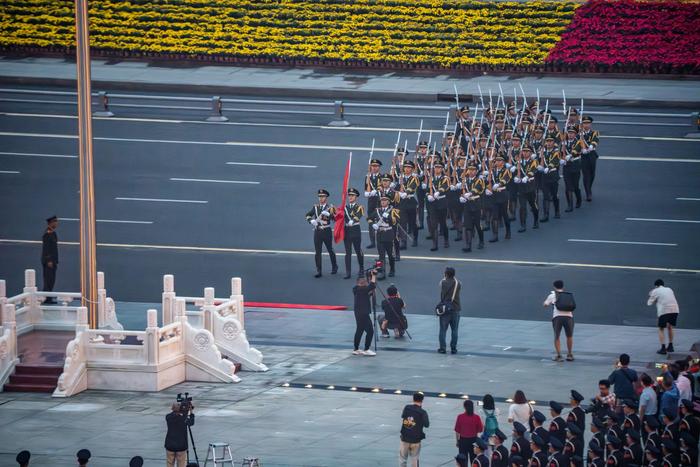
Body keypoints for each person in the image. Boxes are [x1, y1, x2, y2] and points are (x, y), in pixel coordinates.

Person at [305, 189, 338, 278]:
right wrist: (311, 220)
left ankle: (334, 267)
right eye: (319, 197)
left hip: (326, 231)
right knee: (318, 252)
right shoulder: (315, 207)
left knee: (330, 249)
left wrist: (329, 214)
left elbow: (335, 219)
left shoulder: (330, 207)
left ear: (326, 198)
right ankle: (319, 270)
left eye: (322, 197)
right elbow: (307, 215)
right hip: (318, 231)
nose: (321, 198)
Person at [368, 194, 399, 279]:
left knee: (390, 255)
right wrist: (373, 224)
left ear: (388, 202)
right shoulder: (377, 211)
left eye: (385, 200)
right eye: (382, 200)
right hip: (379, 235)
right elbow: (369, 218)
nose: (383, 202)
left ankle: (392, 269)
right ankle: (382, 272)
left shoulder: (392, 211)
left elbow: (396, 221)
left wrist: (388, 216)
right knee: (381, 255)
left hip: (388, 234)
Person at [543, 280, 574, 362]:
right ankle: (570, 354)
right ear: (563, 287)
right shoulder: (568, 295)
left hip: (557, 317)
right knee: (569, 336)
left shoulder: (552, 295)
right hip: (569, 317)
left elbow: (545, 304)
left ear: (554, 287)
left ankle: (559, 356)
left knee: (557, 337)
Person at [647, 279, 680, 354]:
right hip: (675, 309)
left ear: (656, 286)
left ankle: (663, 348)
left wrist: (651, 294)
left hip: (664, 311)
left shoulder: (655, 291)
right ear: (663, 284)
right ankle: (671, 346)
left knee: (661, 328)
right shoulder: (669, 289)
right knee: (670, 327)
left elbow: (649, 303)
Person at [400, 392, 429, 467]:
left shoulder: (407, 407)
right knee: (414, 459)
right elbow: (427, 425)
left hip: (405, 438)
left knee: (403, 459)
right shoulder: (423, 412)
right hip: (416, 440)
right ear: (422, 400)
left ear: (413, 399)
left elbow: (403, 416)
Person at [352, 271, 377, 356]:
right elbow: (372, 285)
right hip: (363, 313)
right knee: (370, 331)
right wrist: (373, 275)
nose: (367, 283)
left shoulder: (356, 289)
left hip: (358, 313)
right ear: (362, 283)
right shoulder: (362, 289)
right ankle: (366, 349)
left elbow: (369, 291)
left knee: (360, 330)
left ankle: (356, 349)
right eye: (366, 282)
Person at [342, 188, 365, 279]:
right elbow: (339, 217)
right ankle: (348, 272)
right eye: (349, 195)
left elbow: (359, 215)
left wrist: (353, 220)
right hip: (347, 231)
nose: (350, 197)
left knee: (358, 251)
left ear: (356, 197)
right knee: (348, 252)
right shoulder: (344, 208)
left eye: (352, 195)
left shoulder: (359, 207)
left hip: (355, 230)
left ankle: (361, 269)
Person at [438, 267, 461, 354]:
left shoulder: (443, 283)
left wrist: (445, 277)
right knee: (455, 330)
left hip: (445, 309)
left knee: (443, 329)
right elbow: (458, 282)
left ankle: (442, 348)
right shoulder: (458, 284)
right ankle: (453, 348)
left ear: (446, 274)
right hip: (455, 308)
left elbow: (440, 283)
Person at [165, 402, 194, 467]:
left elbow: (174, 415)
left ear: (172, 408)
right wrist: (191, 413)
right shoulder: (184, 418)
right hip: (181, 446)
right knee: (181, 464)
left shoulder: (168, 417)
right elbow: (191, 422)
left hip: (170, 445)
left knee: (169, 463)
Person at [578, 115, 599, 202]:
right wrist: (581, 149)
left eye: (588, 123)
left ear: (591, 124)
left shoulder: (594, 132)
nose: (586, 125)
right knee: (586, 175)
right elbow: (576, 143)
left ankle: (588, 187)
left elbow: (595, 140)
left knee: (592, 174)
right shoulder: (579, 134)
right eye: (584, 123)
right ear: (582, 124)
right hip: (583, 156)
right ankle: (588, 193)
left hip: (592, 155)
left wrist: (591, 146)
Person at [364, 158, 383, 249]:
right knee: (370, 220)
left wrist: (376, 191)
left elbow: (382, 187)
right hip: (371, 201)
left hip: (380, 201)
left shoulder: (382, 177)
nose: (374, 168)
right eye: (373, 166)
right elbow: (366, 187)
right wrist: (366, 192)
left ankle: (380, 239)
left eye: (376, 166)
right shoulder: (368, 177)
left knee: (380, 220)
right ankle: (372, 241)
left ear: (379, 167)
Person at [41, 215, 59, 303]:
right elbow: (46, 248)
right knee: (48, 280)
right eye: (55, 221)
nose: (57, 223)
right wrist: (49, 260)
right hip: (49, 262)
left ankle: (48, 297)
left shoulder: (53, 233)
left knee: (51, 280)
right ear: (51, 223)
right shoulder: (47, 234)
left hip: (53, 261)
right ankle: (47, 298)